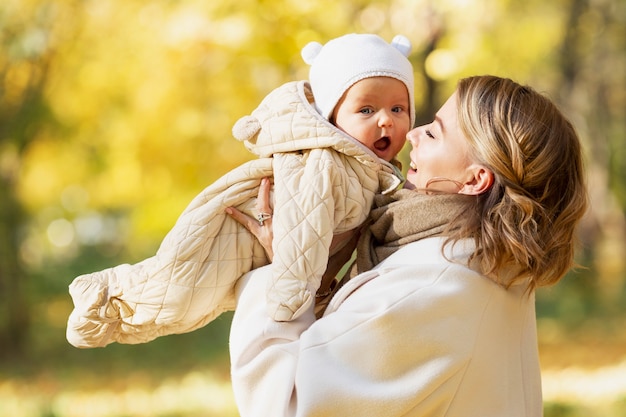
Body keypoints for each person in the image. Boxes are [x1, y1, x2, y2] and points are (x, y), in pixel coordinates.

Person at [225, 75, 588, 416]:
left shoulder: (432, 287)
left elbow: (286, 405)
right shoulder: (488, 266)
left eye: (433, 133)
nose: (411, 133)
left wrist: (280, 272)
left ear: (475, 179)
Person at [66, 33, 415, 348]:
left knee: (189, 307)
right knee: (175, 294)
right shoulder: (325, 161)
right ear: (332, 117)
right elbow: (303, 229)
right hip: (233, 230)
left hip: (261, 250)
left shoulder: (370, 173)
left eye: (397, 109)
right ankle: (100, 294)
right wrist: (289, 301)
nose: (386, 120)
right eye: (366, 109)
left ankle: (108, 312)